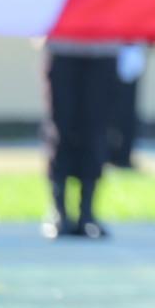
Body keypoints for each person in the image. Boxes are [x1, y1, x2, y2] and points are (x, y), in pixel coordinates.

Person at [40, 38, 123, 239]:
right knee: (60, 129)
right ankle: (59, 211)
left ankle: (87, 212)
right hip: (63, 47)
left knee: (96, 131)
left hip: (103, 49)